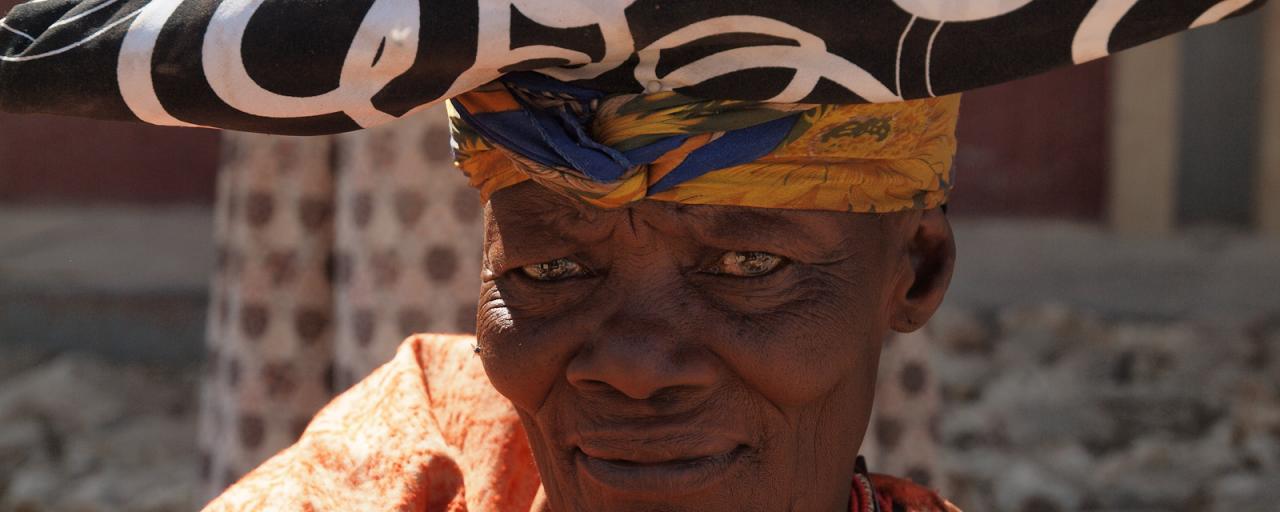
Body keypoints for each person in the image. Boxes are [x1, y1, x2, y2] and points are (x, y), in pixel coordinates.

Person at [1, 1, 1266, 510]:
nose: (639, 367)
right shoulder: (410, 469)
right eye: (551, 271)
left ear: (916, 273)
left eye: (746, 267)